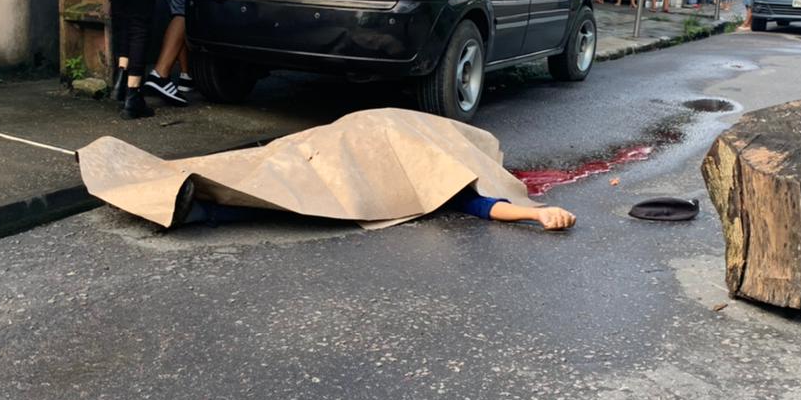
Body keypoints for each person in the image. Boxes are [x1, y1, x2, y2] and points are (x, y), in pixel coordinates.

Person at [173, 181, 576, 231]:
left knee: (300, 203)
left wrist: (535, 212)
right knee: (292, 187)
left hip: (359, 190)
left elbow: (482, 205)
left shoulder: (445, 176)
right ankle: (201, 197)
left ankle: (200, 208)